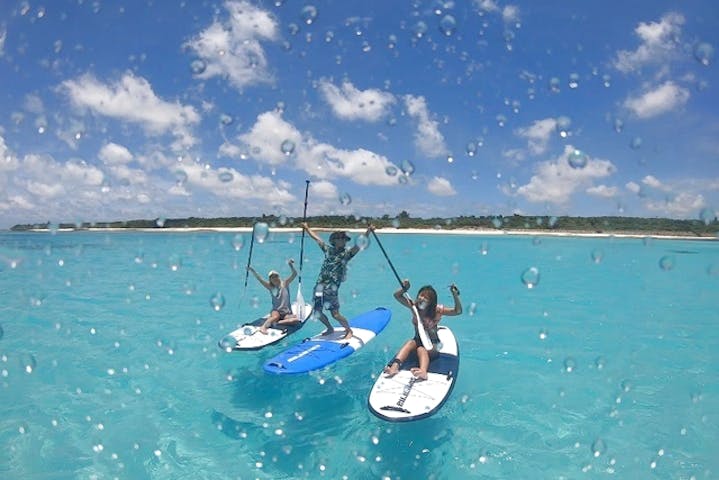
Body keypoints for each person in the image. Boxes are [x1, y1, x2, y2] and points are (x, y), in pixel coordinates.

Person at [302, 222, 375, 340]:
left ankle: (348, 330)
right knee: (317, 312)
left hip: (331, 289)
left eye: (344, 239)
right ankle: (330, 328)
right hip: (319, 286)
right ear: (334, 240)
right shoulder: (327, 250)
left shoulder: (346, 254)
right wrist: (306, 228)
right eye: (341, 239)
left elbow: (359, 244)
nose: (343, 241)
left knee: (335, 314)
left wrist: (368, 232)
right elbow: (316, 238)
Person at [383, 279, 462, 380]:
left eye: (426, 298)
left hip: (433, 345)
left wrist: (455, 295)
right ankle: (394, 367)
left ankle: (423, 372)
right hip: (418, 340)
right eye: (421, 295)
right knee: (410, 343)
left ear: (431, 302)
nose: (422, 298)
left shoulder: (436, 310)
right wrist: (404, 288)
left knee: (421, 349)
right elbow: (397, 296)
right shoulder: (414, 307)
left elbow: (457, 311)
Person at [247, 258, 299, 334]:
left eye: (275, 276)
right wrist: (252, 270)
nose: (274, 278)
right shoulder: (270, 287)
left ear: (278, 277)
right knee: (275, 317)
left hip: (286, 313)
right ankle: (263, 327)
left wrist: (290, 265)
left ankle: (277, 323)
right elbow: (260, 279)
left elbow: (294, 274)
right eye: (272, 277)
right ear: (270, 280)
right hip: (276, 311)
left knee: (296, 320)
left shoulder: (285, 284)